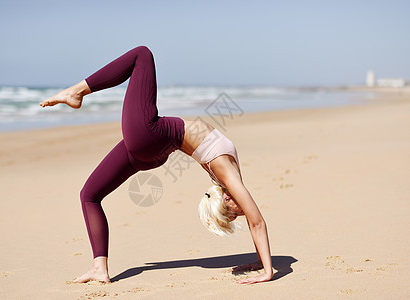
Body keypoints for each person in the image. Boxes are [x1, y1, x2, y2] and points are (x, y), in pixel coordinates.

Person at [40, 46, 272, 285]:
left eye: (235, 214)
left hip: (150, 136)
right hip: (154, 153)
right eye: (236, 215)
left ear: (225, 199)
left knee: (142, 54)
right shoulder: (228, 179)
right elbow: (254, 222)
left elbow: (257, 222)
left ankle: (76, 92)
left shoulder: (226, 175)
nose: (241, 212)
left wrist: (267, 271)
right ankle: (99, 267)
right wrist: (261, 261)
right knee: (89, 195)